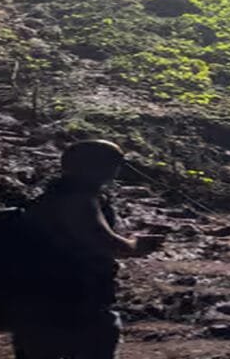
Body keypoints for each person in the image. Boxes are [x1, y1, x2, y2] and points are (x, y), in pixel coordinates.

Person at [12, 140, 162, 359]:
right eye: (113, 164)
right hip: (74, 296)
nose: (115, 170)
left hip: (38, 297)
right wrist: (136, 246)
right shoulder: (78, 199)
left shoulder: (51, 195)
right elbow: (101, 239)